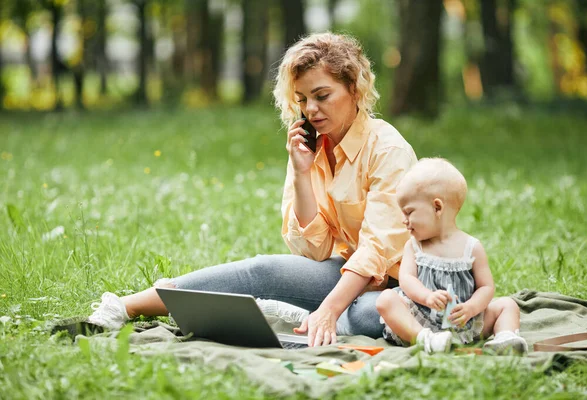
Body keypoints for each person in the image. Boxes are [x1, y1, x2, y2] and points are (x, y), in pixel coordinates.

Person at [87, 32, 418, 347]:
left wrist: (329, 309)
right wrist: (302, 174)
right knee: (264, 269)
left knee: (364, 315)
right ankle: (124, 307)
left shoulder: (387, 150)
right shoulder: (310, 147)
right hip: (350, 278)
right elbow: (313, 252)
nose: (311, 110)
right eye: (302, 99)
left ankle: (317, 315)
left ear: (354, 90)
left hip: (405, 285)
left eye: (322, 96)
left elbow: (376, 250)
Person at [375, 158, 528, 354]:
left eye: (409, 212)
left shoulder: (471, 248)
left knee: (508, 305)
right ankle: (425, 339)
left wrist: (471, 308)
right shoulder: (414, 247)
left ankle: (506, 338)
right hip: (422, 318)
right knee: (386, 300)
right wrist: (427, 297)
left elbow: (486, 287)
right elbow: (406, 279)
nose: (404, 221)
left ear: (437, 207)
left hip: (465, 323)